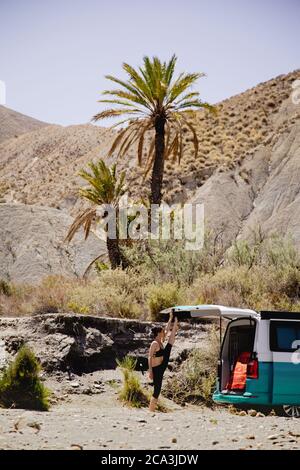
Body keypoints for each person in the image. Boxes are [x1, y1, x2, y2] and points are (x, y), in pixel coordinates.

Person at [148, 312, 179, 412]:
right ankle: (150, 410)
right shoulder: (154, 343)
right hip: (156, 369)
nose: (164, 332)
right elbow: (149, 357)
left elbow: (166, 328)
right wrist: (150, 371)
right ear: (158, 333)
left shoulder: (161, 342)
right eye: (162, 332)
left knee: (170, 342)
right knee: (157, 390)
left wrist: (171, 319)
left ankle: (176, 323)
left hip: (162, 365)